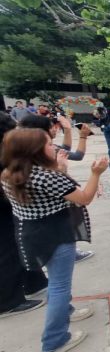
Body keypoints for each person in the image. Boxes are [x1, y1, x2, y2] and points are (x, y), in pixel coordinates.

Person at [1, 128, 108, 352]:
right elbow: (84, 197)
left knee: (55, 280)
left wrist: (59, 167)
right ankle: (54, 339)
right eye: (49, 144)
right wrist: (96, 173)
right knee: (59, 285)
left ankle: (65, 311)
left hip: (32, 232)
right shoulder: (46, 177)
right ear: (35, 151)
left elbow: (48, 189)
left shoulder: (10, 174)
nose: (54, 147)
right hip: (56, 233)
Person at [18, 115, 95, 262]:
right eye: (51, 126)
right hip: (52, 214)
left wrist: (67, 130)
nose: (55, 128)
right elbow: (85, 197)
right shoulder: (44, 172)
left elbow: (64, 150)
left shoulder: (19, 156)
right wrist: (61, 170)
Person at [0, 113, 47, 318]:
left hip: (13, 206)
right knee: (7, 250)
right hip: (4, 208)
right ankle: (8, 301)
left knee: (21, 244)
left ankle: (34, 282)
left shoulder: (8, 149)